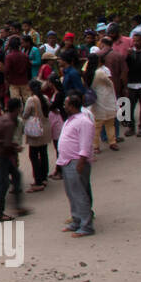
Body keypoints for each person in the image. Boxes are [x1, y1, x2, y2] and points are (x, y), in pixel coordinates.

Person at [55, 93, 95, 237]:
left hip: (76, 161)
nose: (64, 106)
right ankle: (76, 220)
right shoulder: (70, 120)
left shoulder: (84, 122)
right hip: (67, 161)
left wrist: (81, 161)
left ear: (72, 106)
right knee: (72, 193)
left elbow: (85, 144)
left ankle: (86, 226)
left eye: (66, 104)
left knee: (79, 193)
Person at [0, 98, 29, 221]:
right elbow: (7, 143)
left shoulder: (3, 118)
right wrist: (16, 148)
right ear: (18, 108)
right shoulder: (10, 123)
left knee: (16, 176)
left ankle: (17, 207)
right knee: (4, 183)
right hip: (1, 155)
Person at [20, 79, 52, 190]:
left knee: (33, 155)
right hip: (45, 128)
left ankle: (38, 180)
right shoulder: (45, 98)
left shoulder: (31, 100)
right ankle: (44, 177)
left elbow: (25, 115)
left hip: (36, 130)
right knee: (43, 153)